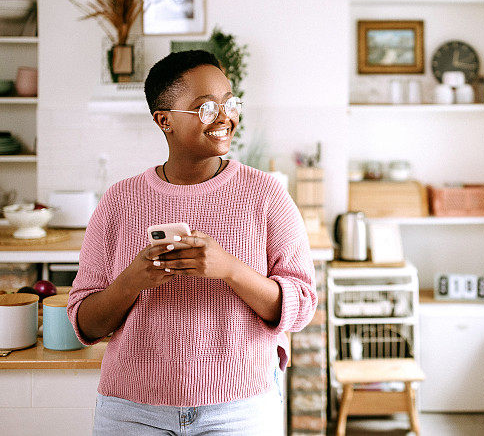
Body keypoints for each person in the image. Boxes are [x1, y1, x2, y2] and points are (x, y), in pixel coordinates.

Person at [67, 50, 317, 435]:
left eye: (229, 103)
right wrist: (132, 281)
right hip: (132, 411)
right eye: (205, 108)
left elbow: (302, 306)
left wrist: (230, 270)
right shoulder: (119, 201)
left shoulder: (266, 194)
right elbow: (85, 323)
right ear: (163, 120)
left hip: (240, 408)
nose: (224, 117)